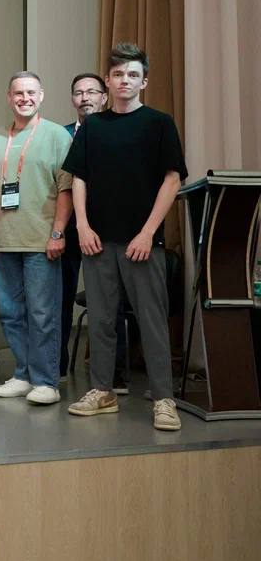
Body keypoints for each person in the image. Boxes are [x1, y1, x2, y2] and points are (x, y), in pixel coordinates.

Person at [64, 43, 187, 431]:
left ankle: (164, 398)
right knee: (101, 321)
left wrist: (148, 233)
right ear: (108, 81)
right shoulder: (92, 127)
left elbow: (172, 180)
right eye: (118, 74)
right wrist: (82, 226)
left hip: (142, 243)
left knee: (151, 322)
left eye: (133, 74)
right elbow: (79, 178)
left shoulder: (159, 123)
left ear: (144, 81)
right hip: (97, 241)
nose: (125, 80)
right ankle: (102, 391)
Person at [0, 72, 74, 405]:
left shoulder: (57, 136)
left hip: (41, 240)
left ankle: (46, 381)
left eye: (31, 92)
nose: (25, 98)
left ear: (42, 95)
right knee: (10, 313)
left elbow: (66, 189)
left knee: (42, 314)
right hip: (5, 240)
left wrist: (58, 233)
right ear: (9, 98)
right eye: (18, 93)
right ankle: (22, 375)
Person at [60, 73, 129, 389]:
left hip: (104, 229)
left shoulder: (118, 131)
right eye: (78, 92)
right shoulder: (59, 135)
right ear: (72, 99)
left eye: (91, 92)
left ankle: (115, 376)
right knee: (59, 298)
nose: (85, 97)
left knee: (110, 301)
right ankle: (56, 369)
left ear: (104, 97)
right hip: (66, 228)